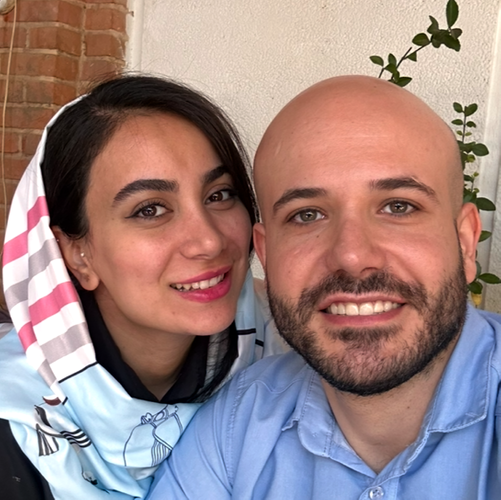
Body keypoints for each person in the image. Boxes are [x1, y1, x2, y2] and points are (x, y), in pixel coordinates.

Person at [147, 75, 501, 499]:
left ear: (465, 243)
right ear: (266, 254)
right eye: (307, 215)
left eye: (398, 206)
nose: (351, 255)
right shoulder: (233, 429)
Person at [0, 74, 284, 500]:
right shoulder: (16, 424)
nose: (209, 241)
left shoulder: (287, 345)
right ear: (78, 254)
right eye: (150, 209)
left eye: (219, 194)